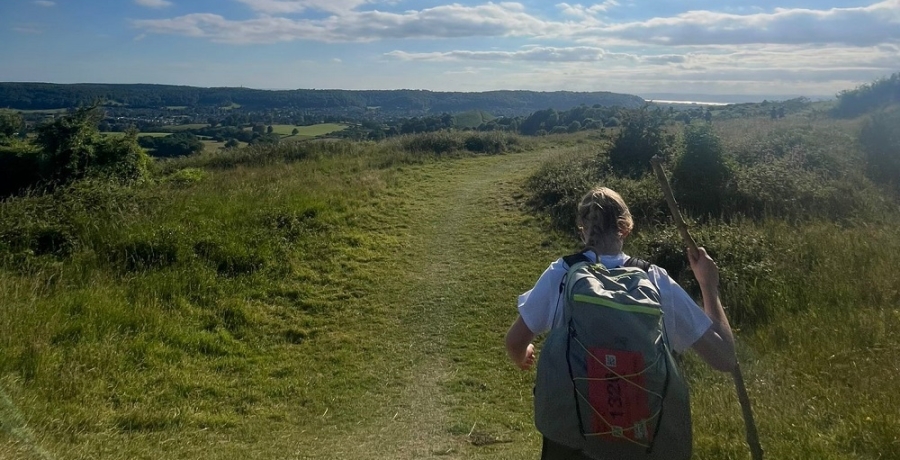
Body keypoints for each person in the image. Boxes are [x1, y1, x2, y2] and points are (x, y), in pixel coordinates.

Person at [504, 186, 737, 459]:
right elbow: (724, 356)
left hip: (571, 438)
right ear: (625, 227)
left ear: (583, 228)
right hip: (642, 438)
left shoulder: (562, 274)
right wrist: (708, 285)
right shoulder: (655, 280)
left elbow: (515, 341)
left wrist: (523, 356)